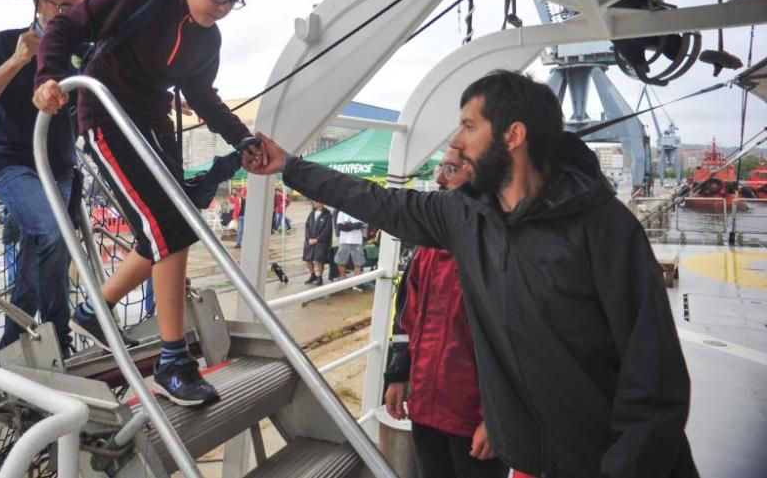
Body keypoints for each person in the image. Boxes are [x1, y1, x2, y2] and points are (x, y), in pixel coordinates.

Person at [244, 70, 698, 478]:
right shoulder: (464, 217)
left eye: (469, 126)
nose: (456, 143)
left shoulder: (605, 229)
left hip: (612, 459)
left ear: (513, 135)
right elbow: (380, 203)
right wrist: (289, 167)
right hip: (535, 458)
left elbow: (654, 379)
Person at [33, 0, 262, 407]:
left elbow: (203, 96)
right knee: (167, 231)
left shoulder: (209, 40)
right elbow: (65, 28)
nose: (223, 6)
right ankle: (173, 363)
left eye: (234, 0)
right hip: (106, 116)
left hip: (155, 126)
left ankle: (94, 312)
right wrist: (49, 76)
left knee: (174, 227)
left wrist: (242, 138)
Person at [0, 0, 85, 355]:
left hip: (59, 165)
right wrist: (19, 59)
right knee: (50, 233)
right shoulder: (6, 42)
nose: (69, 15)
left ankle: (16, 339)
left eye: (77, 9)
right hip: (11, 161)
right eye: (63, 6)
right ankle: (58, 335)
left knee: (45, 247)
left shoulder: (78, 53)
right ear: (39, 2)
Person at [384, 148, 507, 478]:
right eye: (440, 168)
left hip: (475, 422)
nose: (438, 179)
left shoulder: (502, 252)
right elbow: (405, 318)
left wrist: (499, 420)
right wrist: (398, 373)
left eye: (451, 170)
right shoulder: (426, 249)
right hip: (426, 408)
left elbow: (524, 350)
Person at [333, 209, 366, 290]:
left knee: (358, 263)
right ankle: (344, 281)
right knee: (340, 261)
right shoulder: (341, 212)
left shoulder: (359, 211)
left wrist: (349, 225)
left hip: (357, 241)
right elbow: (340, 226)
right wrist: (353, 226)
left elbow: (361, 225)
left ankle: (355, 283)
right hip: (344, 241)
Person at [302, 200, 332, 285]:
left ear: (321, 203)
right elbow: (307, 225)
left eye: (316, 202)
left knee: (319, 260)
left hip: (321, 242)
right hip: (310, 240)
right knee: (307, 258)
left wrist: (317, 239)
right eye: (313, 202)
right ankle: (312, 275)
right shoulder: (312, 213)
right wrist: (308, 238)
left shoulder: (327, 215)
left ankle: (320, 277)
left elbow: (327, 229)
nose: (314, 203)